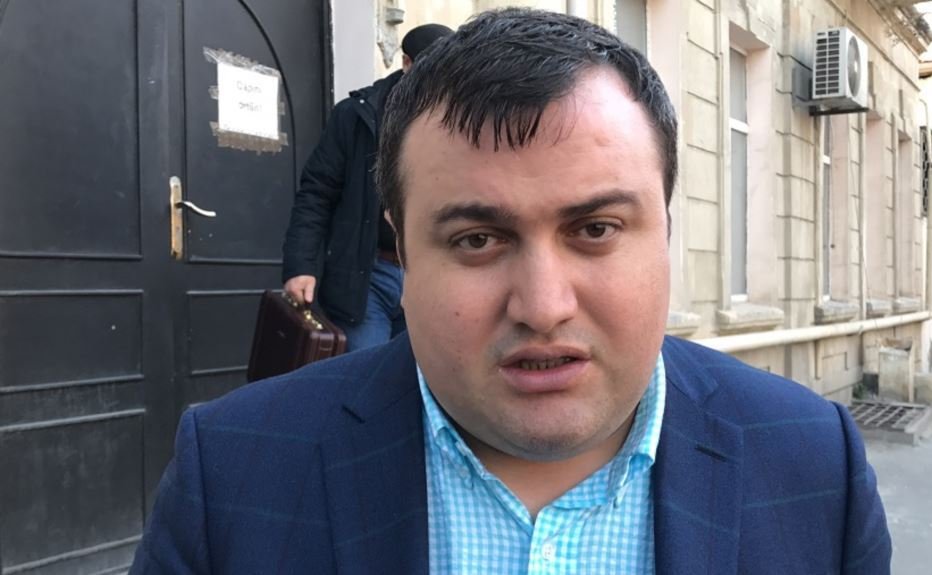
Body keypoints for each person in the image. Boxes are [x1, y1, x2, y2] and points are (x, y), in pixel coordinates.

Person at [131, 9, 891, 574]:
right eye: (476, 239)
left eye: (595, 228)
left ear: (665, 227)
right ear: (404, 247)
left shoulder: (812, 465)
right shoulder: (232, 473)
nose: (543, 305)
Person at [281, 23, 453, 351]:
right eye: (431, 70)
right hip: (366, 277)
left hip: (429, 273)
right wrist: (300, 266)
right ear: (406, 63)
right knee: (368, 371)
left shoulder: (460, 120)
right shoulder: (357, 115)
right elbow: (316, 194)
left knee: (420, 374)